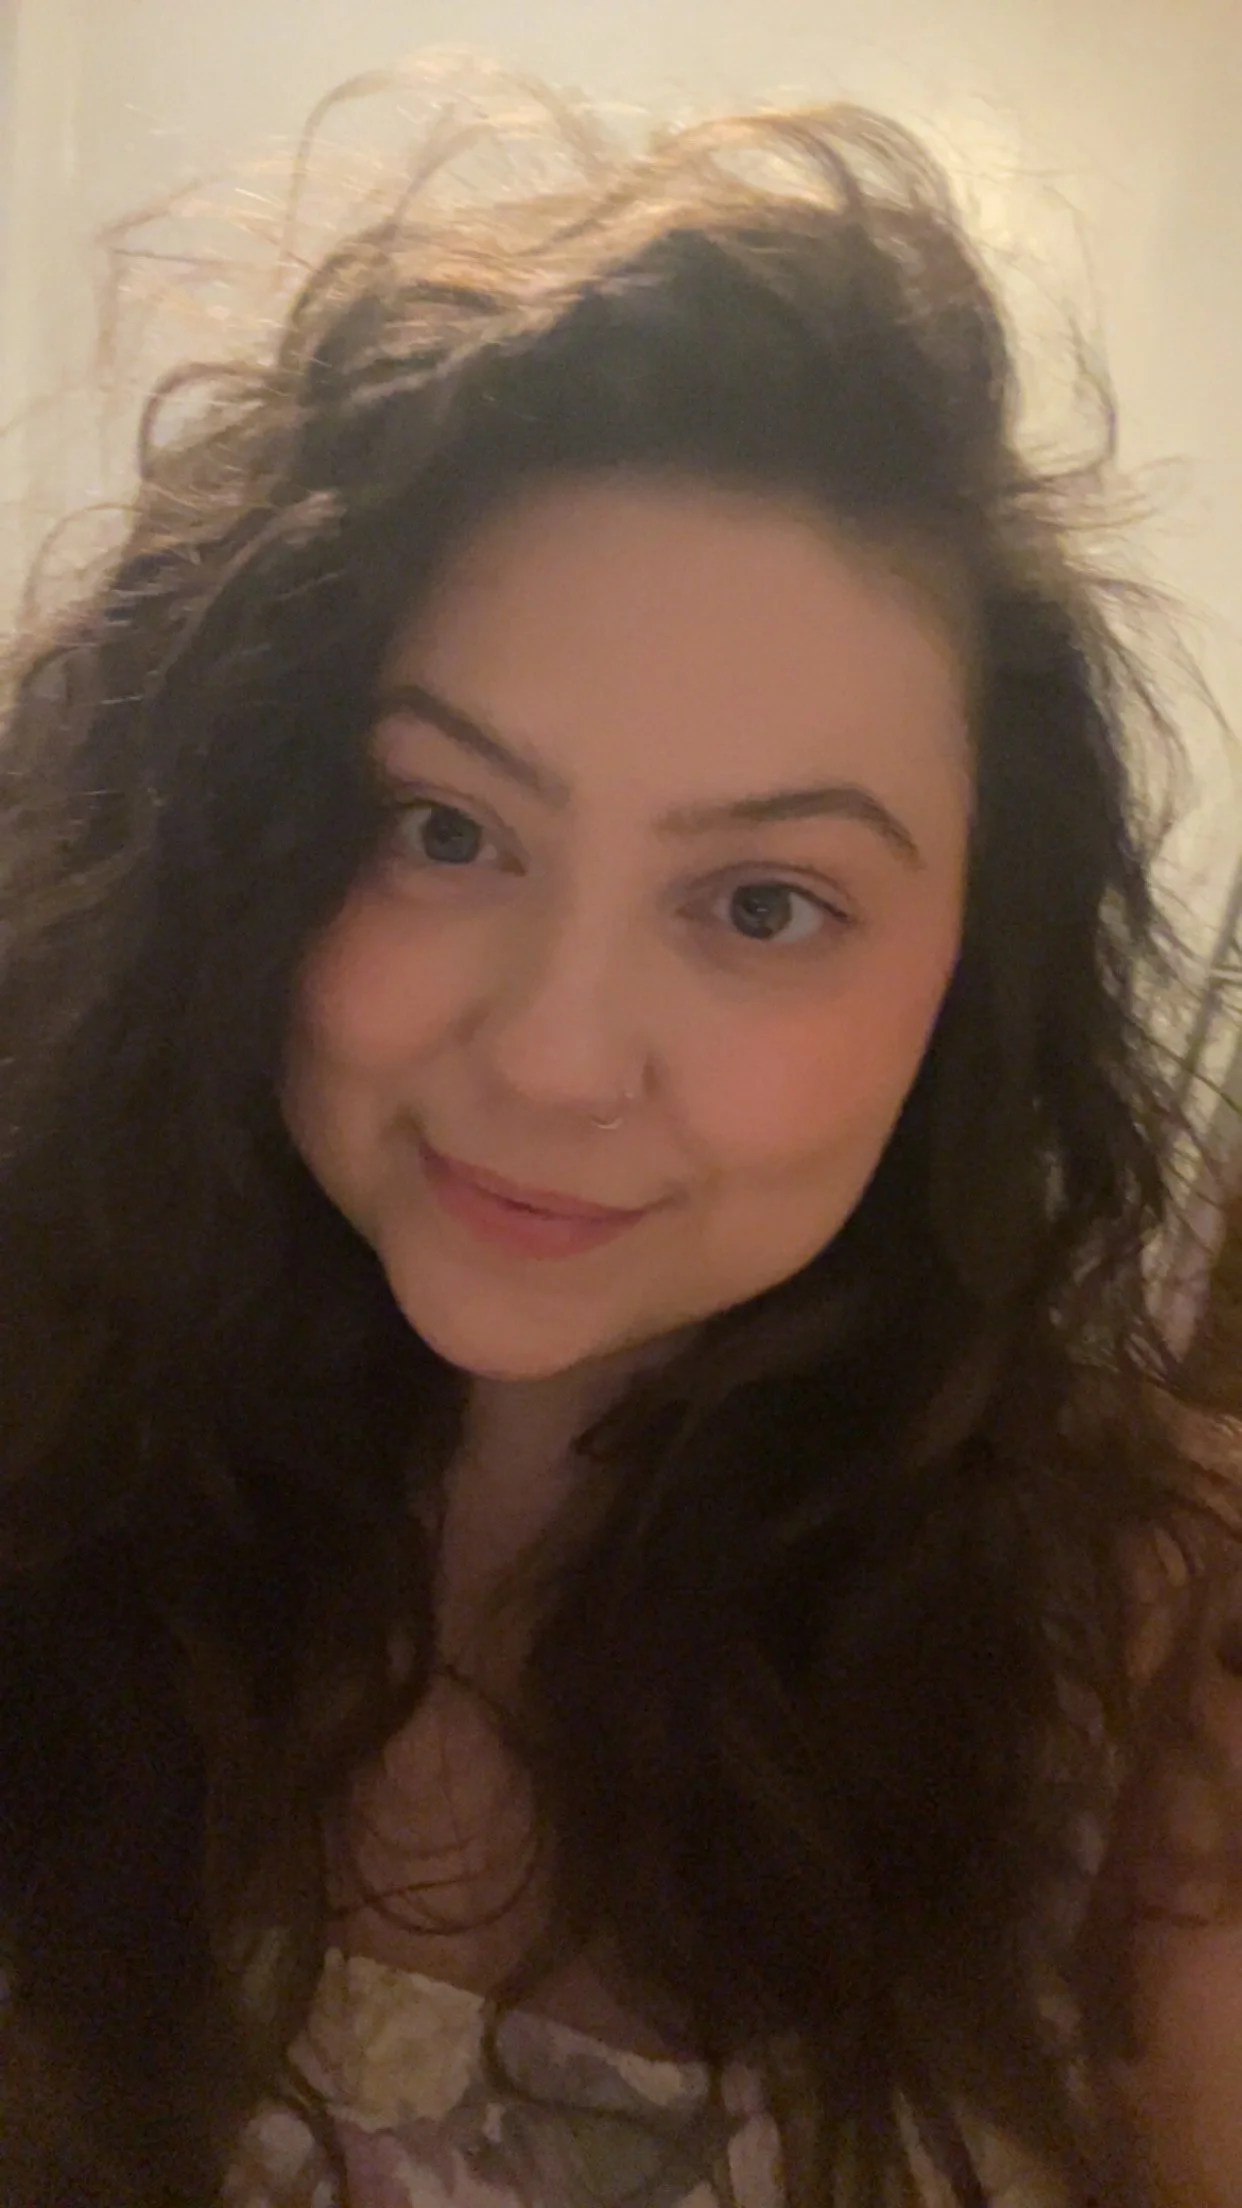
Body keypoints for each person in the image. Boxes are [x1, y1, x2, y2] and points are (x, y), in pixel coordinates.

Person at [0, 78, 1228, 2208]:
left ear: (972, 980)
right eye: (443, 829)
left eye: (766, 904)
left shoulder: (1141, 1655)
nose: (561, 1060)